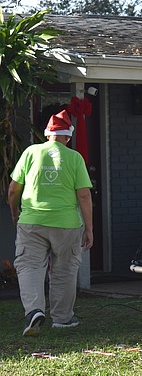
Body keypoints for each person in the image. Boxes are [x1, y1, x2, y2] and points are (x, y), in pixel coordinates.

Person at [8, 110, 94, 335]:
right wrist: (89, 228)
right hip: (67, 224)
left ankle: (34, 311)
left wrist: (15, 213)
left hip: (32, 221)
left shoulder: (30, 152)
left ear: (47, 134)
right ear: (68, 136)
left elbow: (13, 190)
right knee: (64, 270)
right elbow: (84, 195)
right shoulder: (75, 158)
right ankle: (62, 318)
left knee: (29, 266)